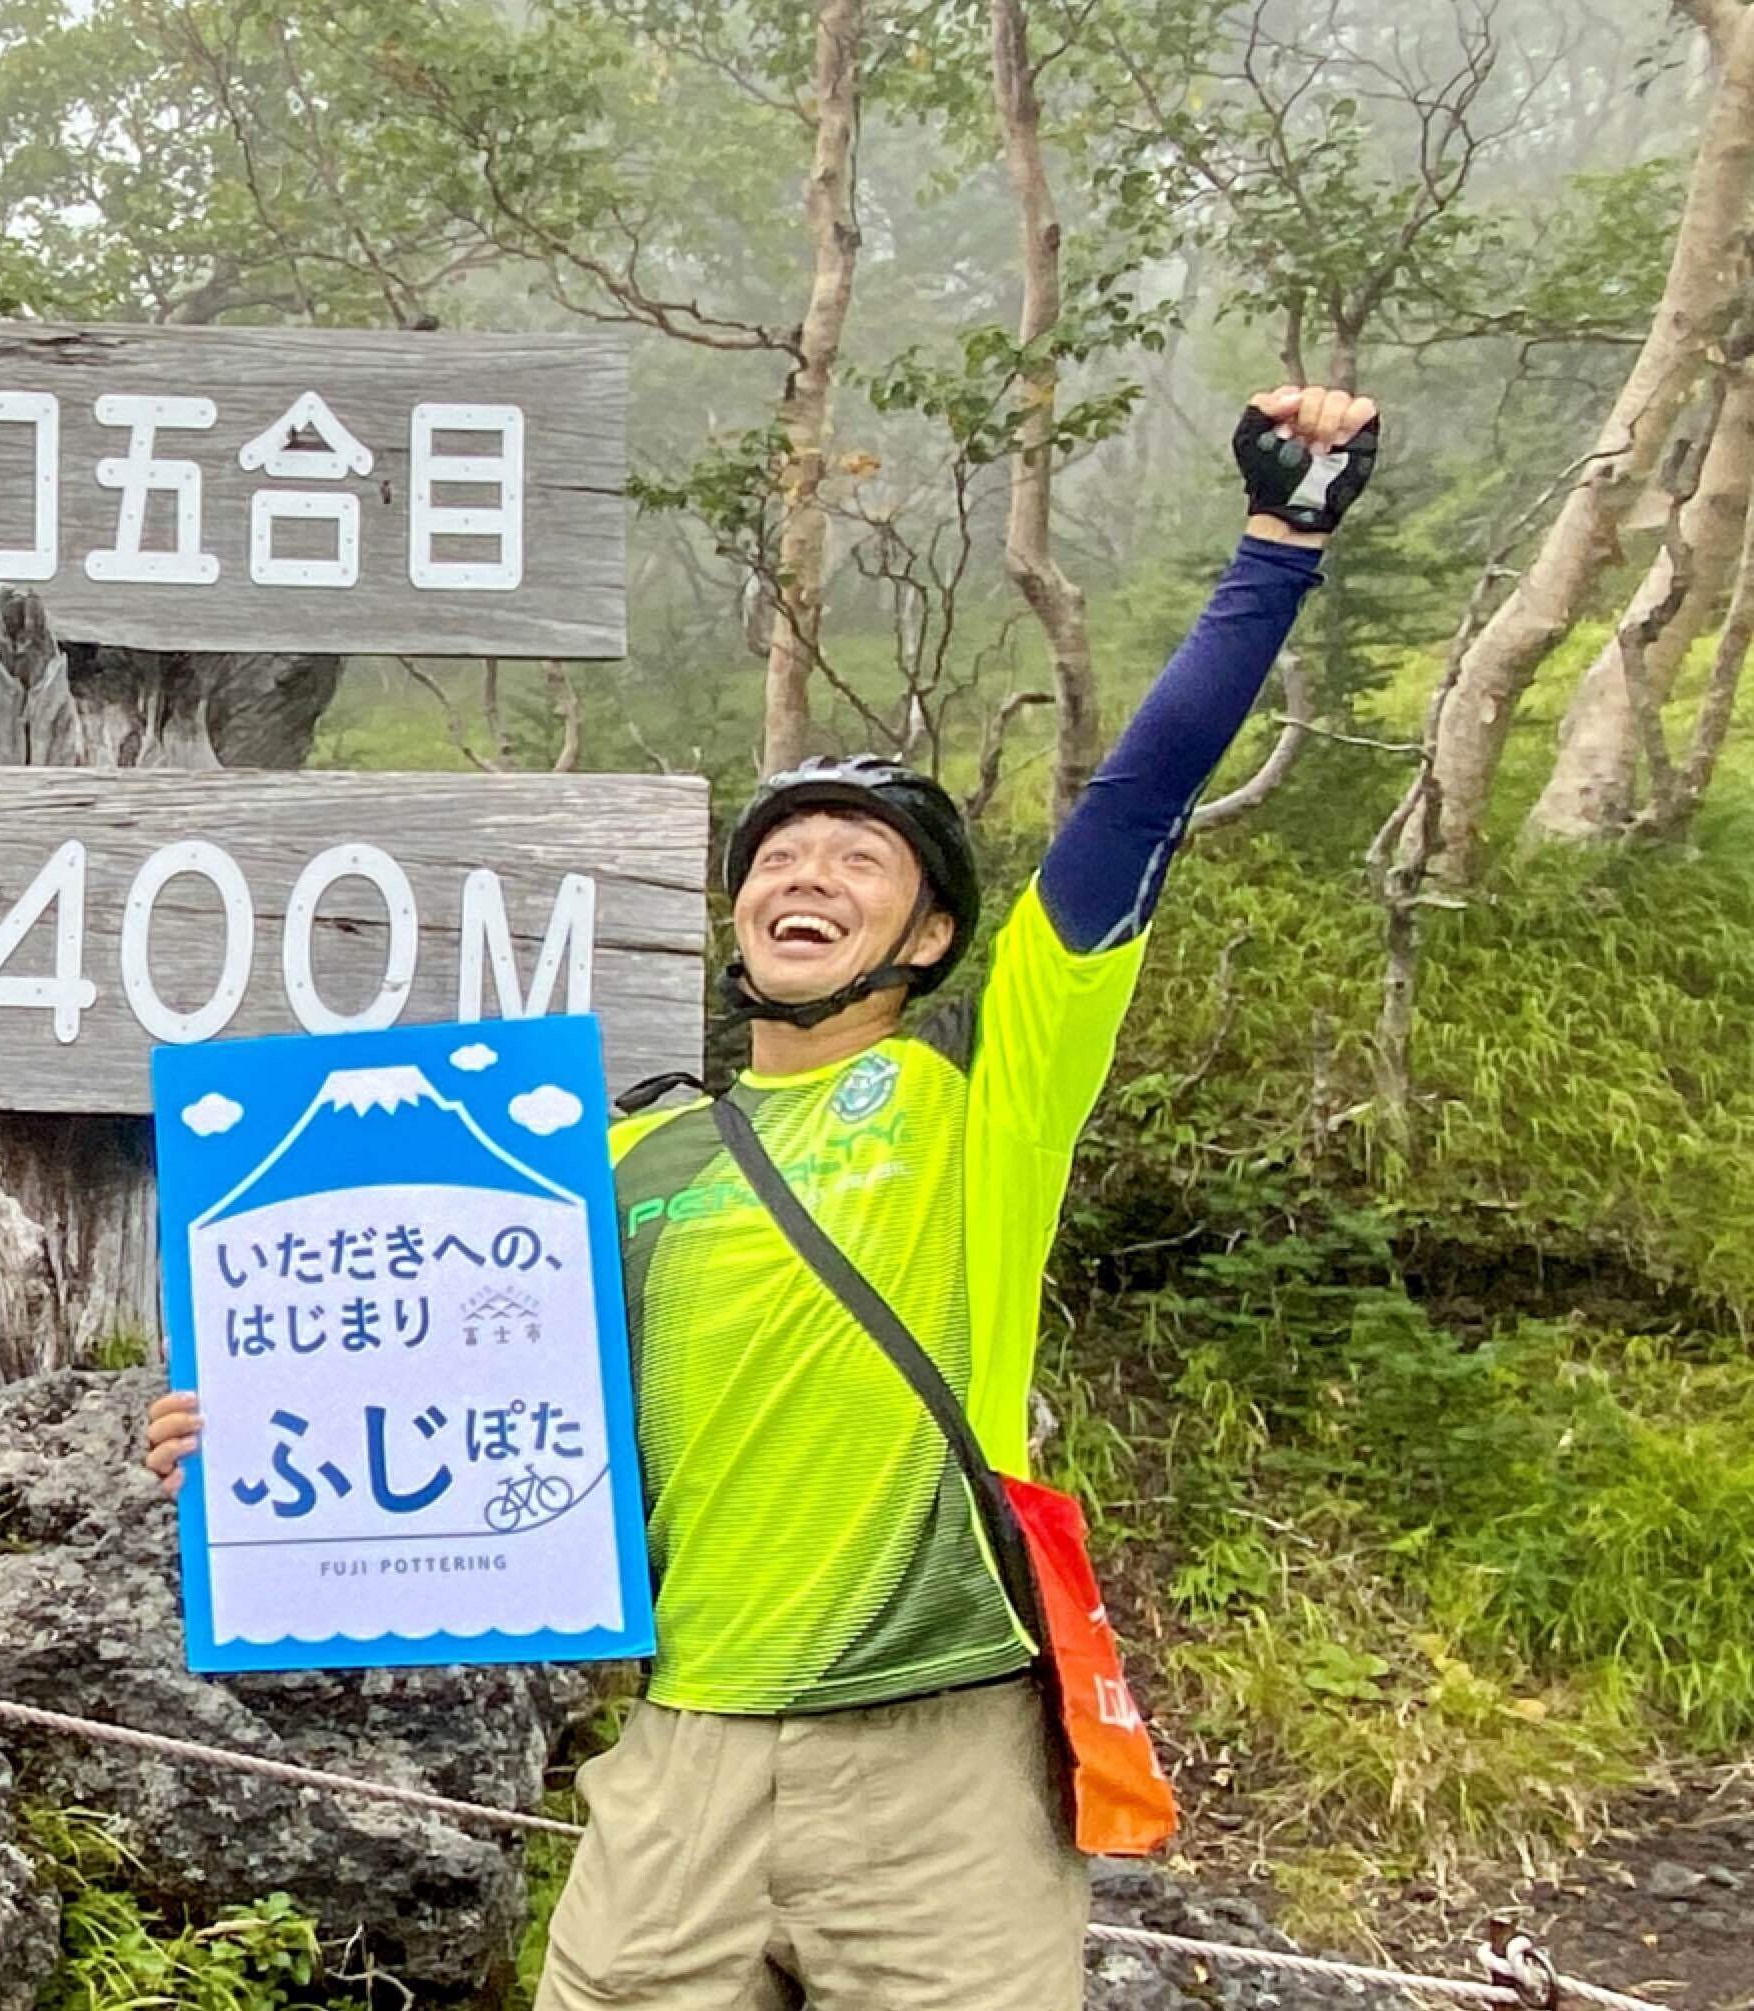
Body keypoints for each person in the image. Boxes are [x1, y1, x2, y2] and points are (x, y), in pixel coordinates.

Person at [146, 386, 1381, 2009]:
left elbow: (1131, 812)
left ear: (928, 939)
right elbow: (441, 1386)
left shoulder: (977, 1106)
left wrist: (1279, 545)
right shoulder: (610, 1154)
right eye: (780, 857)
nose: (808, 877)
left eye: (863, 863)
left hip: (938, 1748)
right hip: (680, 1753)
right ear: (731, 918)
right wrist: (255, 1426)